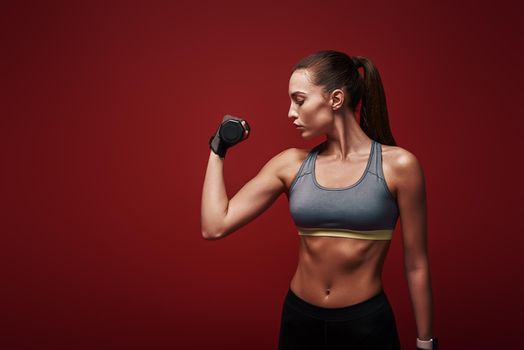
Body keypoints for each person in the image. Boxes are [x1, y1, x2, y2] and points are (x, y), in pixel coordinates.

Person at [201, 50, 438, 350]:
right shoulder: (291, 165)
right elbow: (214, 225)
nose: (290, 112)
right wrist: (217, 147)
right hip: (300, 322)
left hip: (366, 325)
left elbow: (416, 263)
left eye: (299, 100)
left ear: (336, 100)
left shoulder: (399, 167)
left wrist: (425, 343)